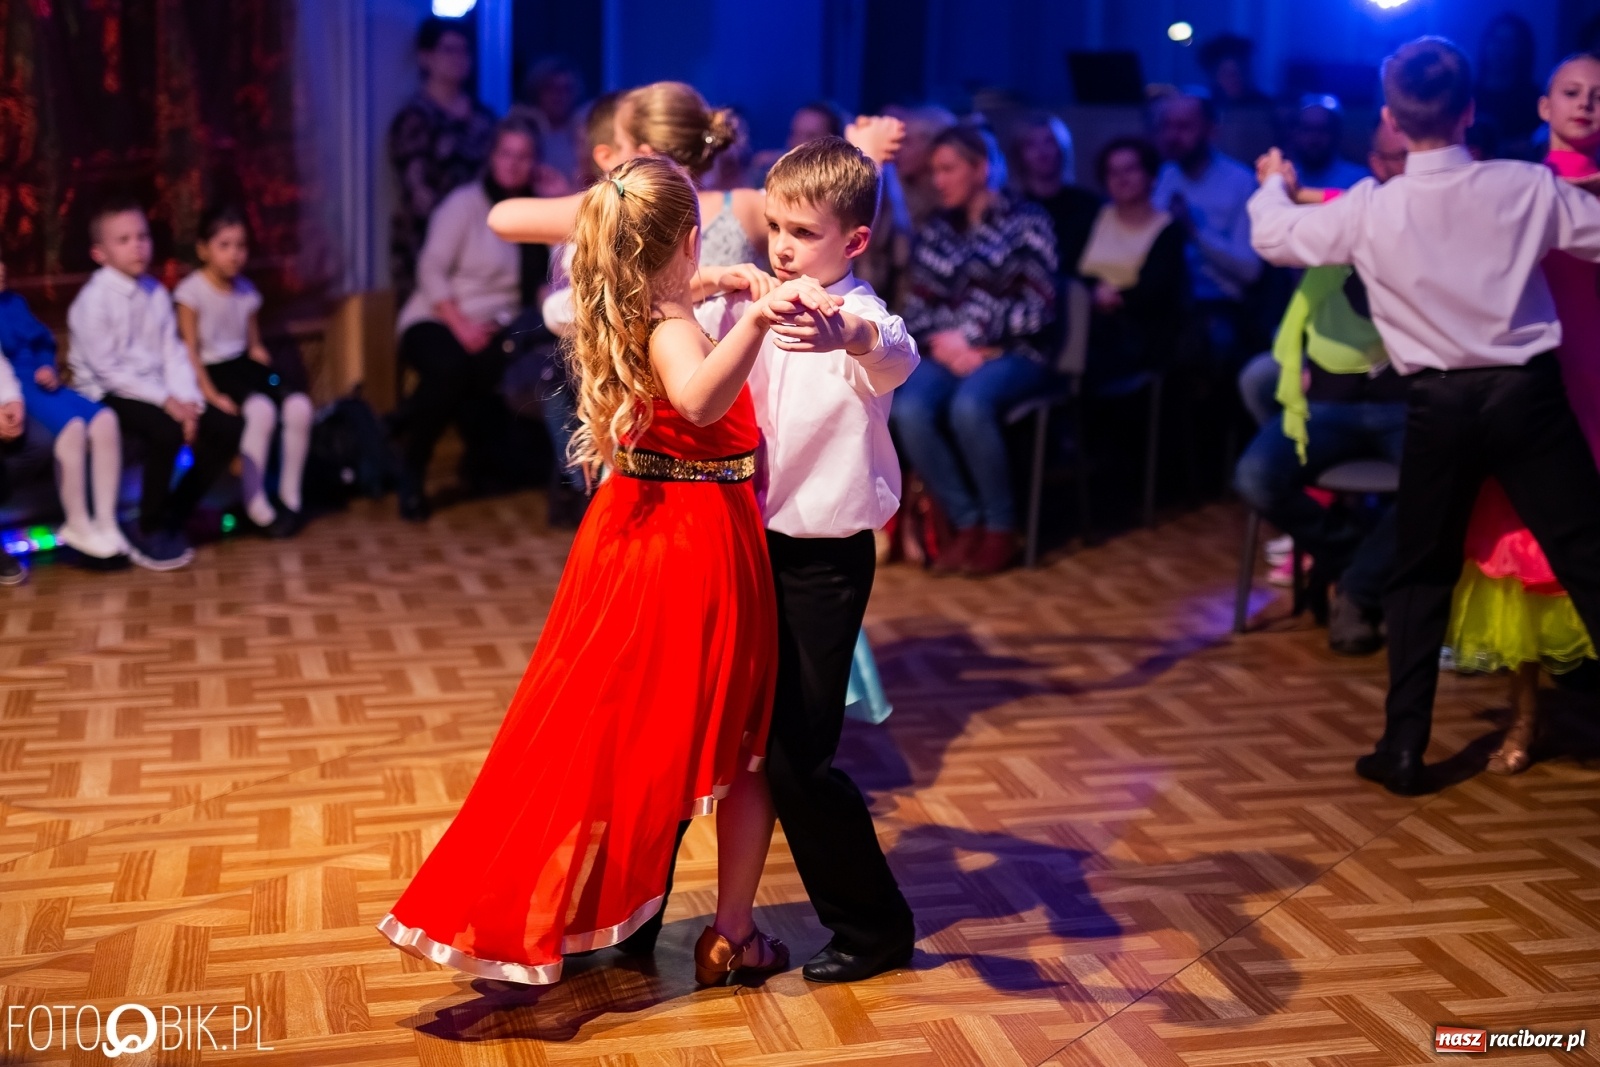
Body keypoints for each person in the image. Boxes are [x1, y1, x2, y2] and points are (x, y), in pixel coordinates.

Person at [378, 155, 842, 987]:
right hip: (695, 541)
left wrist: (712, 288)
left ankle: (593, 909)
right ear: (690, 237)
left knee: (598, 729)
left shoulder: (633, 302)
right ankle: (730, 932)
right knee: (739, 749)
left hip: (637, 528)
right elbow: (698, 397)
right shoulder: (672, 328)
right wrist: (757, 317)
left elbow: (669, 314)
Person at [1249, 36, 1600, 797]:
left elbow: (1273, 238)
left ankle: (1403, 749)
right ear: (1471, 111)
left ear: (1393, 119)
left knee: (1419, 578)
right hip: (1526, 398)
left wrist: (1274, 183)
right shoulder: (1524, 186)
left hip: (1438, 407)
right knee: (1591, 560)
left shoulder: (1374, 207)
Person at [698, 137, 920, 982]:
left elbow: (893, 351)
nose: (783, 245)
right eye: (776, 227)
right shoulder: (749, 300)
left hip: (822, 565)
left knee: (798, 759)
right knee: (716, 739)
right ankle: (647, 917)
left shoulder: (866, 316)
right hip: (740, 550)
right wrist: (722, 287)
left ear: (854, 241)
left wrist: (847, 332)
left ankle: (874, 928)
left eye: (804, 232)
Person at [1443, 52, 1600, 774]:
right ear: (1544, 106)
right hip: (1542, 380)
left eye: (1599, 95)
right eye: (1572, 92)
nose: (1587, 104)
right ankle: (1525, 718)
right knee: (1523, 545)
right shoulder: (1517, 186)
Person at [486, 81, 905, 271]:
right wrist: (868, 149)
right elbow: (833, 207)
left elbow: (501, 217)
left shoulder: (631, 207)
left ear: (645, 155)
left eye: (619, 145)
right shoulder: (742, 205)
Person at [891, 125, 1059, 577]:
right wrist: (949, 345)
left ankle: (1001, 527)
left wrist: (976, 338)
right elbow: (917, 311)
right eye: (933, 171)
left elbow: (1040, 307)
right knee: (908, 408)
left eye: (948, 169)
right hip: (949, 353)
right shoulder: (937, 231)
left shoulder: (1029, 221)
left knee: (971, 406)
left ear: (981, 168)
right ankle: (966, 521)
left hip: (1017, 352)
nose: (938, 180)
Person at [68, 200, 244, 571]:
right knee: (165, 431)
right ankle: (147, 527)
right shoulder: (92, 302)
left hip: (159, 389)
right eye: (124, 240)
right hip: (108, 393)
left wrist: (189, 401)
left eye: (143, 237)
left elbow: (173, 354)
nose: (138, 246)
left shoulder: (156, 293)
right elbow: (109, 372)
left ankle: (174, 514)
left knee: (227, 426)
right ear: (100, 253)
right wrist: (168, 403)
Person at [392, 117, 550, 521]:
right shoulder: (465, 204)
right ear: (492, 156)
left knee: (508, 368)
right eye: (506, 154)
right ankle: (413, 469)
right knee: (451, 369)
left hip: (498, 328)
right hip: (437, 315)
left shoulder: (535, 211)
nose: (514, 164)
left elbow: (543, 285)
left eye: (524, 156)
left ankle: (464, 452)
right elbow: (430, 270)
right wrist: (460, 325)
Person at [174, 207, 312, 539]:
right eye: (225, 245)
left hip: (243, 365)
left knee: (299, 406)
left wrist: (270, 372)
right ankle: (255, 504)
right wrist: (210, 395)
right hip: (213, 370)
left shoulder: (247, 291)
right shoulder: (191, 292)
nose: (235, 254)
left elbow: (253, 344)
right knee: (260, 411)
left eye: (241, 246)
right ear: (203, 249)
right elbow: (189, 349)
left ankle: (290, 497)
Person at [0, 248, 126, 565]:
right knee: (71, 429)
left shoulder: (15, 302)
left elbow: (42, 340)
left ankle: (108, 523)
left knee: (105, 419)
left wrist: (47, 365)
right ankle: (77, 523)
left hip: (42, 380)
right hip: (17, 387)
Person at [387, 16, 497, 303]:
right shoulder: (414, 119)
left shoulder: (484, 117)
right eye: (449, 50)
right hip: (427, 238)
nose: (459, 58)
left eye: (464, 50)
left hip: (485, 238)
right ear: (426, 57)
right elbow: (417, 190)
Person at [1151, 92, 1263, 372]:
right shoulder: (1163, 177)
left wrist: (1195, 233)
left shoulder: (1240, 182)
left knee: (1204, 344)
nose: (1173, 135)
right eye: (1167, 126)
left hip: (1219, 303)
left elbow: (1250, 271)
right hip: (1164, 299)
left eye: (1184, 127)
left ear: (1211, 131)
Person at [1078, 137, 1187, 386]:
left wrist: (1116, 297)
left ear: (1150, 175)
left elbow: (1157, 290)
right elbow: (1068, 270)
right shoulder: (1092, 217)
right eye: (1113, 172)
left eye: (1130, 169)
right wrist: (1093, 290)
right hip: (1086, 321)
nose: (1121, 178)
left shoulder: (1168, 229)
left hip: (1139, 331)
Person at [1012, 114, 1101, 279]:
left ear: (1062, 148)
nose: (1041, 152)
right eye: (1031, 144)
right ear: (1020, 154)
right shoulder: (1010, 208)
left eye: (1049, 142)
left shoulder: (1089, 205)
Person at [1476, 13, 1544, 160]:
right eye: (1496, 40)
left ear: (1520, 50)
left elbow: (1535, 144)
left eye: (1509, 42)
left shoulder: (1533, 99)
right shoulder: (1465, 94)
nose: (1500, 49)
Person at [520, 57, 586, 185]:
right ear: (538, 91)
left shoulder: (582, 135)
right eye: (551, 88)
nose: (559, 96)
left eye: (566, 89)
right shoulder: (525, 129)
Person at [1288, 96, 1370, 190]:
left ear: (1335, 134)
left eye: (1322, 129)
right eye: (1307, 129)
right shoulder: (1282, 179)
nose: (1314, 137)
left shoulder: (1360, 181)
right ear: (1295, 134)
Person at [1199, 34, 1271, 108]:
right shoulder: (1203, 109)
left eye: (1240, 71)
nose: (1235, 79)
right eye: (1226, 73)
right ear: (1214, 76)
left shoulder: (1267, 108)